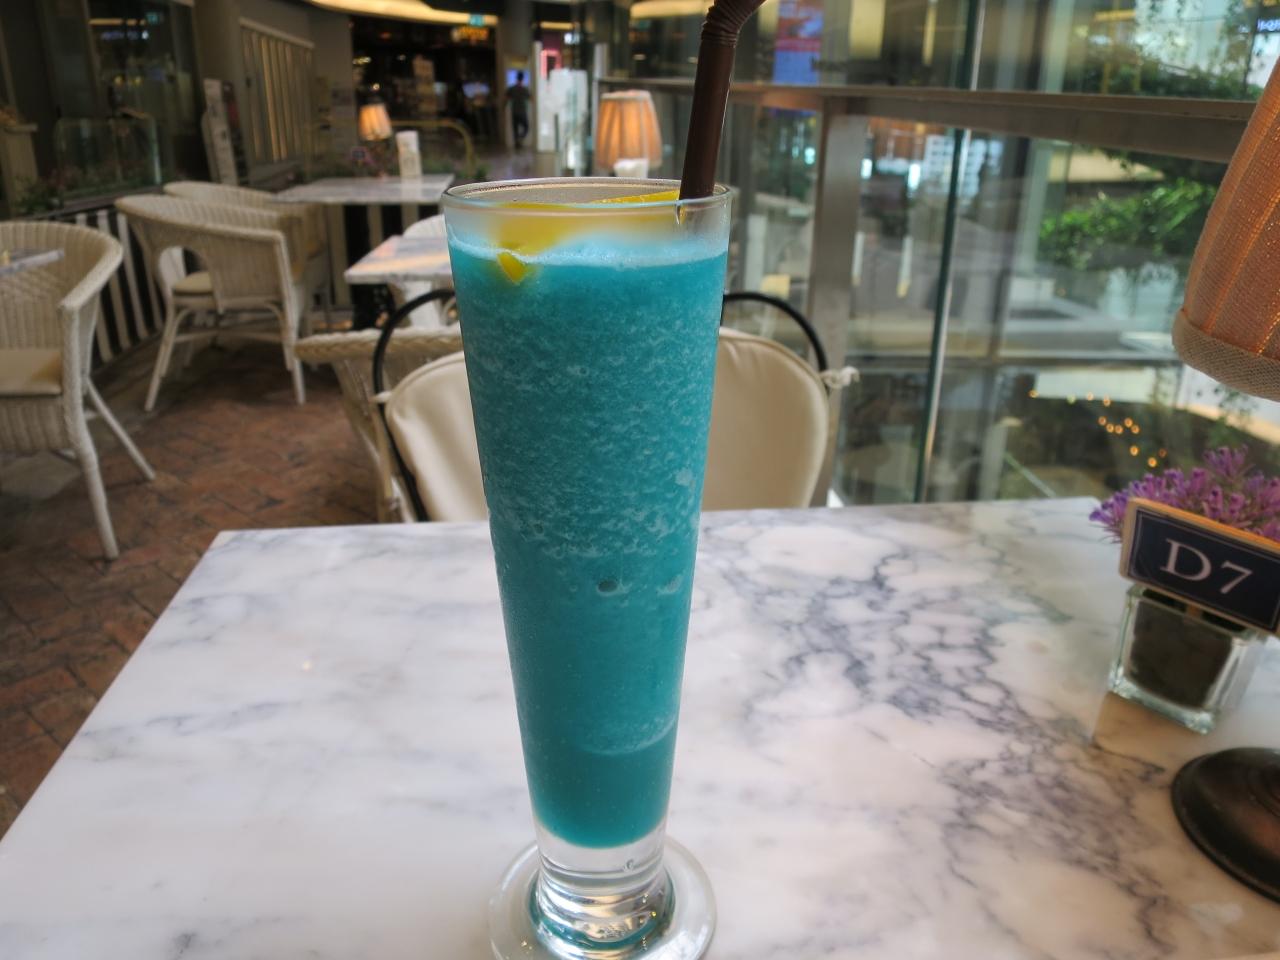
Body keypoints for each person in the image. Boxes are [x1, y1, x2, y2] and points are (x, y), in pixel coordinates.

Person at [506, 70, 530, 149]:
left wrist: (503, 107)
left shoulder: (512, 89)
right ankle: (520, 138)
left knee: (515, 128)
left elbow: (506, 98)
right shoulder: (525, 89)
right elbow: (531, 98)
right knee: (526, 127)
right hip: (522, 111)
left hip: (514, 111)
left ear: (516, 78)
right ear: (522, 79)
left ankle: (517, 143)